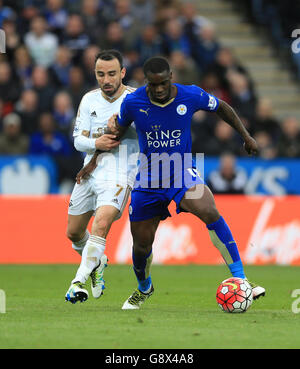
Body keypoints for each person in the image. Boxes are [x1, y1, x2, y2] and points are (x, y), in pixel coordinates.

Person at [77, 56, 265, 309]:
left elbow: (222, 107)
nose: (159, 89)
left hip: (181, 173)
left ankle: (242, 280)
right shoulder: (133, 102)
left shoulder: (191, 95)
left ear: (170, 78)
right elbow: (117, 133)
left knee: (208, 209)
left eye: (163, 83)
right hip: (148, 179)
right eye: (153, 85)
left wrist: (246, 136)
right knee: (141, 246)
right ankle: (144, 288)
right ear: (147, 83)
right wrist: (92, 161)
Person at [65, 49, 139, 304]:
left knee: (101, 224)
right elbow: (77, 140)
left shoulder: (135, 99)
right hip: (91, 170)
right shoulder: (89, 100)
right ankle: (98, 261)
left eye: (111, 74)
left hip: (121, 173)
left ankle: (77, 282)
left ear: (122, 73)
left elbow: (145, 131)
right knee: (74, 233)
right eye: (100, 74)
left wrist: (120, 129)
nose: (106, 80)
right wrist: (99, 142)